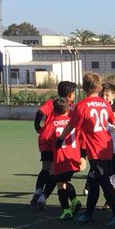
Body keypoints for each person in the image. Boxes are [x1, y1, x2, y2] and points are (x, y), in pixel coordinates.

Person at [61, 72, 115, 227]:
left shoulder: (82, 105)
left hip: (95, 148)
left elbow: (71, 126)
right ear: (99, 87)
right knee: (94, 180)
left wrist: (60, 138)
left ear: (84, 87)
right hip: (106, 145)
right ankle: (88, 214)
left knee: (102, 180)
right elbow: (114, 122)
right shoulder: (105, 104)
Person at [31, 80, 76, 208]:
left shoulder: (51, 103)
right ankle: (43, 197)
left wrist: (37, 127)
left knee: (45, 168)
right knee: (54, 173)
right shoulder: (71, 107)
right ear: (70, 95)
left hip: (46, 138)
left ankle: (38, 190)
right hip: (59, 142)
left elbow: (40, 113)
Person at [38, 96, 81, 220]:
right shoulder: (72, 121)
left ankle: (66, 210)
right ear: (67, 109)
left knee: (61, 185)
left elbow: (44, 138)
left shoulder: (52, 124)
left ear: (54, 111)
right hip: (74, 157)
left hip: (61, 158)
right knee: (66, 181)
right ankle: (74, 201)